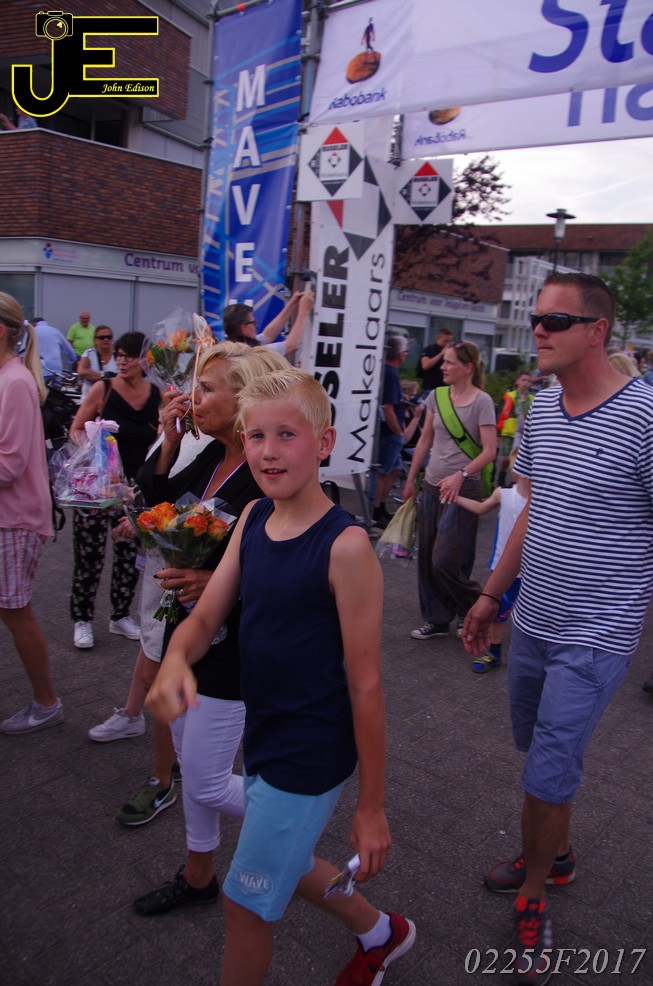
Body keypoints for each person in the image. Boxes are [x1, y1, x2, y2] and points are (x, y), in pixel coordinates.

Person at [147, 368, 416, 985]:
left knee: (243, 905)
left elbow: (366, 686)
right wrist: (177, 660)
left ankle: (380, 934)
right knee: (285, 861)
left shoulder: (346, 546)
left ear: (324, 443)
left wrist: (372, 807)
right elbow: (206, 614)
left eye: (287, 435)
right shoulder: (252, 519)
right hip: (265, 736)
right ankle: (381, 933)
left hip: (310, 751)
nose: (269, 451)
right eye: (256, 436)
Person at [462, 272, 653, 984]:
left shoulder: (644, 416)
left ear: (597, 330)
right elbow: (533, 512)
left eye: (555, 320)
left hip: (597, 632)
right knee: (537, 754)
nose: (537, 329)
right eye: (536, 317)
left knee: (547, 769)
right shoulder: (540, 409)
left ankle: (536, 891)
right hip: (533, 620)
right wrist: (491, 597)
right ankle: (558, 853)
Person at [111, 344, 286, 838]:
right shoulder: (213, 453)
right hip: (185, 624)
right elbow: (161, 503)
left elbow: (289, 562)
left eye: (206, 389)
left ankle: (290, 819)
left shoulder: (268, 470)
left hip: (231, 640)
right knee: (190, 757)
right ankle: (198, 868)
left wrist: (220, 583)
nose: (193, 399)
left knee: (206, 777)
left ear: (245, 399)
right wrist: (168, 442)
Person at [68, 331, 160, 650]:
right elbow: (76, 428)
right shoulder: (103, 388)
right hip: (98, 486)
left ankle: (119, 615)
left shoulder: (156, 395)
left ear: (144, 360)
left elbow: (162, 438)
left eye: (129, 356)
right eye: (119, 355)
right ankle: (82, 618)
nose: (122, 361)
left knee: (128, 554)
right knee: (89, 553)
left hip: (133, 487)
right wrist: (94, 443)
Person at [404, 340, 496, 641]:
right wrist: (411, 479)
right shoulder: (437, 396)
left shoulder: (482, 401)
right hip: (432, 485)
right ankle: (438, 619)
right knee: (427, 558)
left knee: (447, 558)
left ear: (467, 367)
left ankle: (475, 606)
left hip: (464, 488)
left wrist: (461, 474)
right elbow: (425, 441)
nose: (442, 367)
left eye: (449, 362)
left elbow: (490, 451)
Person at [0, 292, 63, 735]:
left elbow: (10, 464)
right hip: (9, 516)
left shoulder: (15, 382)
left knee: (15, 611)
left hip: (13, 519)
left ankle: (46, 702)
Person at [455, 448, 529, 674]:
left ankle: (532, 655)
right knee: (499, 608)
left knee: (530, 611)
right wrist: (455, 496)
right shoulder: (503, 493)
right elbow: (480, 507)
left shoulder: (545, 500)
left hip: (534, 568)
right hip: (502, 566)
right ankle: (494, 652)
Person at [371, 335, 410, 529]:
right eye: (406, 351)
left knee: (394, 469)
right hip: (390, 433)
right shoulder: (391, 374)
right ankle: (376, 510)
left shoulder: (385, 372)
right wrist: (399, 433)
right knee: (383, 471)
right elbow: (388, 409)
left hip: (388, 432)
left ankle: (381, 507)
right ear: (400, 354)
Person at [222, 289, 314, 360]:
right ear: (243, 328)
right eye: (253, 323)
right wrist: (304, 310)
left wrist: (292, 304)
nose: (255, 326)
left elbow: (268, 335)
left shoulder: (232, 347)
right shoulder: (250, 353)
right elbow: (291, 345)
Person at [496, 370, 533, 487]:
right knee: (507, 458)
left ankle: (513, 481)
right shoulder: (510, 396)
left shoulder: (532, 399)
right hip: (509, 432)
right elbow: (502, 414)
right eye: (523, 380)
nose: (526, 383)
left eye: (528, 381)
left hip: (523, 434)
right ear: (517, 381)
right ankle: (502, 473)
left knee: (517, 460)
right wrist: (498, 432)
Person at [32, 316, 77, 383]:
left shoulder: (33, 332)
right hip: (56, 369)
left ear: (34, 324)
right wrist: (73, 360)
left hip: (41, 369)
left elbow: (24, 350)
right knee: (56, 389)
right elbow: (68, 349)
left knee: (41, 389)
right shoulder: (56, 331)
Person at [77, 324, 118, 397]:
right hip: (89, 398)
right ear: (95, 340)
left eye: (109, 337)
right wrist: (104, 377)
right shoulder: (89, 354)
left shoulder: (118, 356)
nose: (106, 340)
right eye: (102, 337)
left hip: (111, 398)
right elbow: (82, 371)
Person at [416, 326, 453, 395]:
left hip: (444, 387)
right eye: (445, 341)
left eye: (449, 341)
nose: (447, 344)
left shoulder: (450, 352)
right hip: (430, 387)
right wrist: (441, 354)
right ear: (439, 338)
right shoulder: (429, 349)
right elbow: (425, 365)